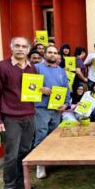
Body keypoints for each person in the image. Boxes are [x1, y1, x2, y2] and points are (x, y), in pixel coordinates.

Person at [0, 37, 37, 189]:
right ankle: (9, 185)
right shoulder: (1, 67)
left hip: (29, 116)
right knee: (11, 154)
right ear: (11, 47)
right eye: (17, 45)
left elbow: (30, 91)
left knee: (25, 152)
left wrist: (39, 90)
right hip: (11, 118)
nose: (20, 49)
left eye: (24, 46)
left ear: (28, 49)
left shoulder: (32, 68)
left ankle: (20, 182)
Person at [34, 45, 71, 179]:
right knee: (41, 136)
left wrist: (66, 104)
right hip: (41, 108)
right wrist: (40, 88)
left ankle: (51, 159)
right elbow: (27, 84)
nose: (52, 54)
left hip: (56, 109)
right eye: (50, 52)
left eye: (55, 53)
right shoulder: (37, 68)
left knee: (53, 136)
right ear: (44, 53)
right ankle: (40, 165)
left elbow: (66, 89)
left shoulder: (61, 71)